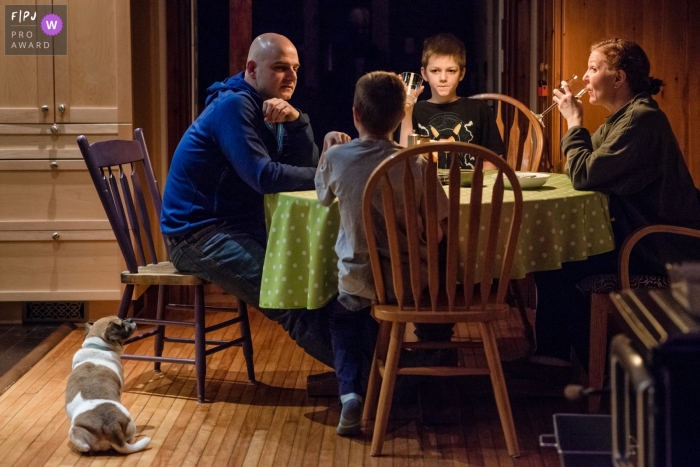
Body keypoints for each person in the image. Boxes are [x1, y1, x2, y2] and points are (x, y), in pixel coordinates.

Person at [160, 33, 354, 372]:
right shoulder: (233, 105)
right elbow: (264, 177)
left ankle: (371, 372)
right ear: (251, 68)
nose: (291, 76)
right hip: (197, 234)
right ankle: (371, 381)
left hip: (238, 225)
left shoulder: (268, 107)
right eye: (280, 68)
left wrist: (297, 123)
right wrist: (326, 174)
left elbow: (301, 168)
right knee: (290, 300)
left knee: (323, 281)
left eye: (295, 68)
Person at [515, 38, 700, 381]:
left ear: (619, 78)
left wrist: (574, 122)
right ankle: (554, 359)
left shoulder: (640, 121)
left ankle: (610, 373)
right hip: (637, 235)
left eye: (594, 68)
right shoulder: (623, 118)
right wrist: (578, 136)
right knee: (554, 260)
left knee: (555, 265)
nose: (585, 78)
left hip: (659, 246)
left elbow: (584, 173)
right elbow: (582, 167)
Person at [315, 71, 449, 436]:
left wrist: (328, 148)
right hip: (409, 283)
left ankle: (351, 394)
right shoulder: (419, 163)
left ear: (355, 114)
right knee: (394, 308)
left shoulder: (338, 158)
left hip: (359, 278)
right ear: (399, 116)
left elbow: (322, 197)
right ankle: (419, 380)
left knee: (343, 319)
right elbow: (437, 230)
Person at [398, 33, 504, 170]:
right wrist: (406, 111)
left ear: (461, 74)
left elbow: (494, 159)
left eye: (451, 71)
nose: (443, 78)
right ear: (424, 74)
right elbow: (403, 162)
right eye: (435, 71)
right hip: (427, 187)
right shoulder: (415, 111)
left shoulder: (479, 110)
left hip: (471, 188)